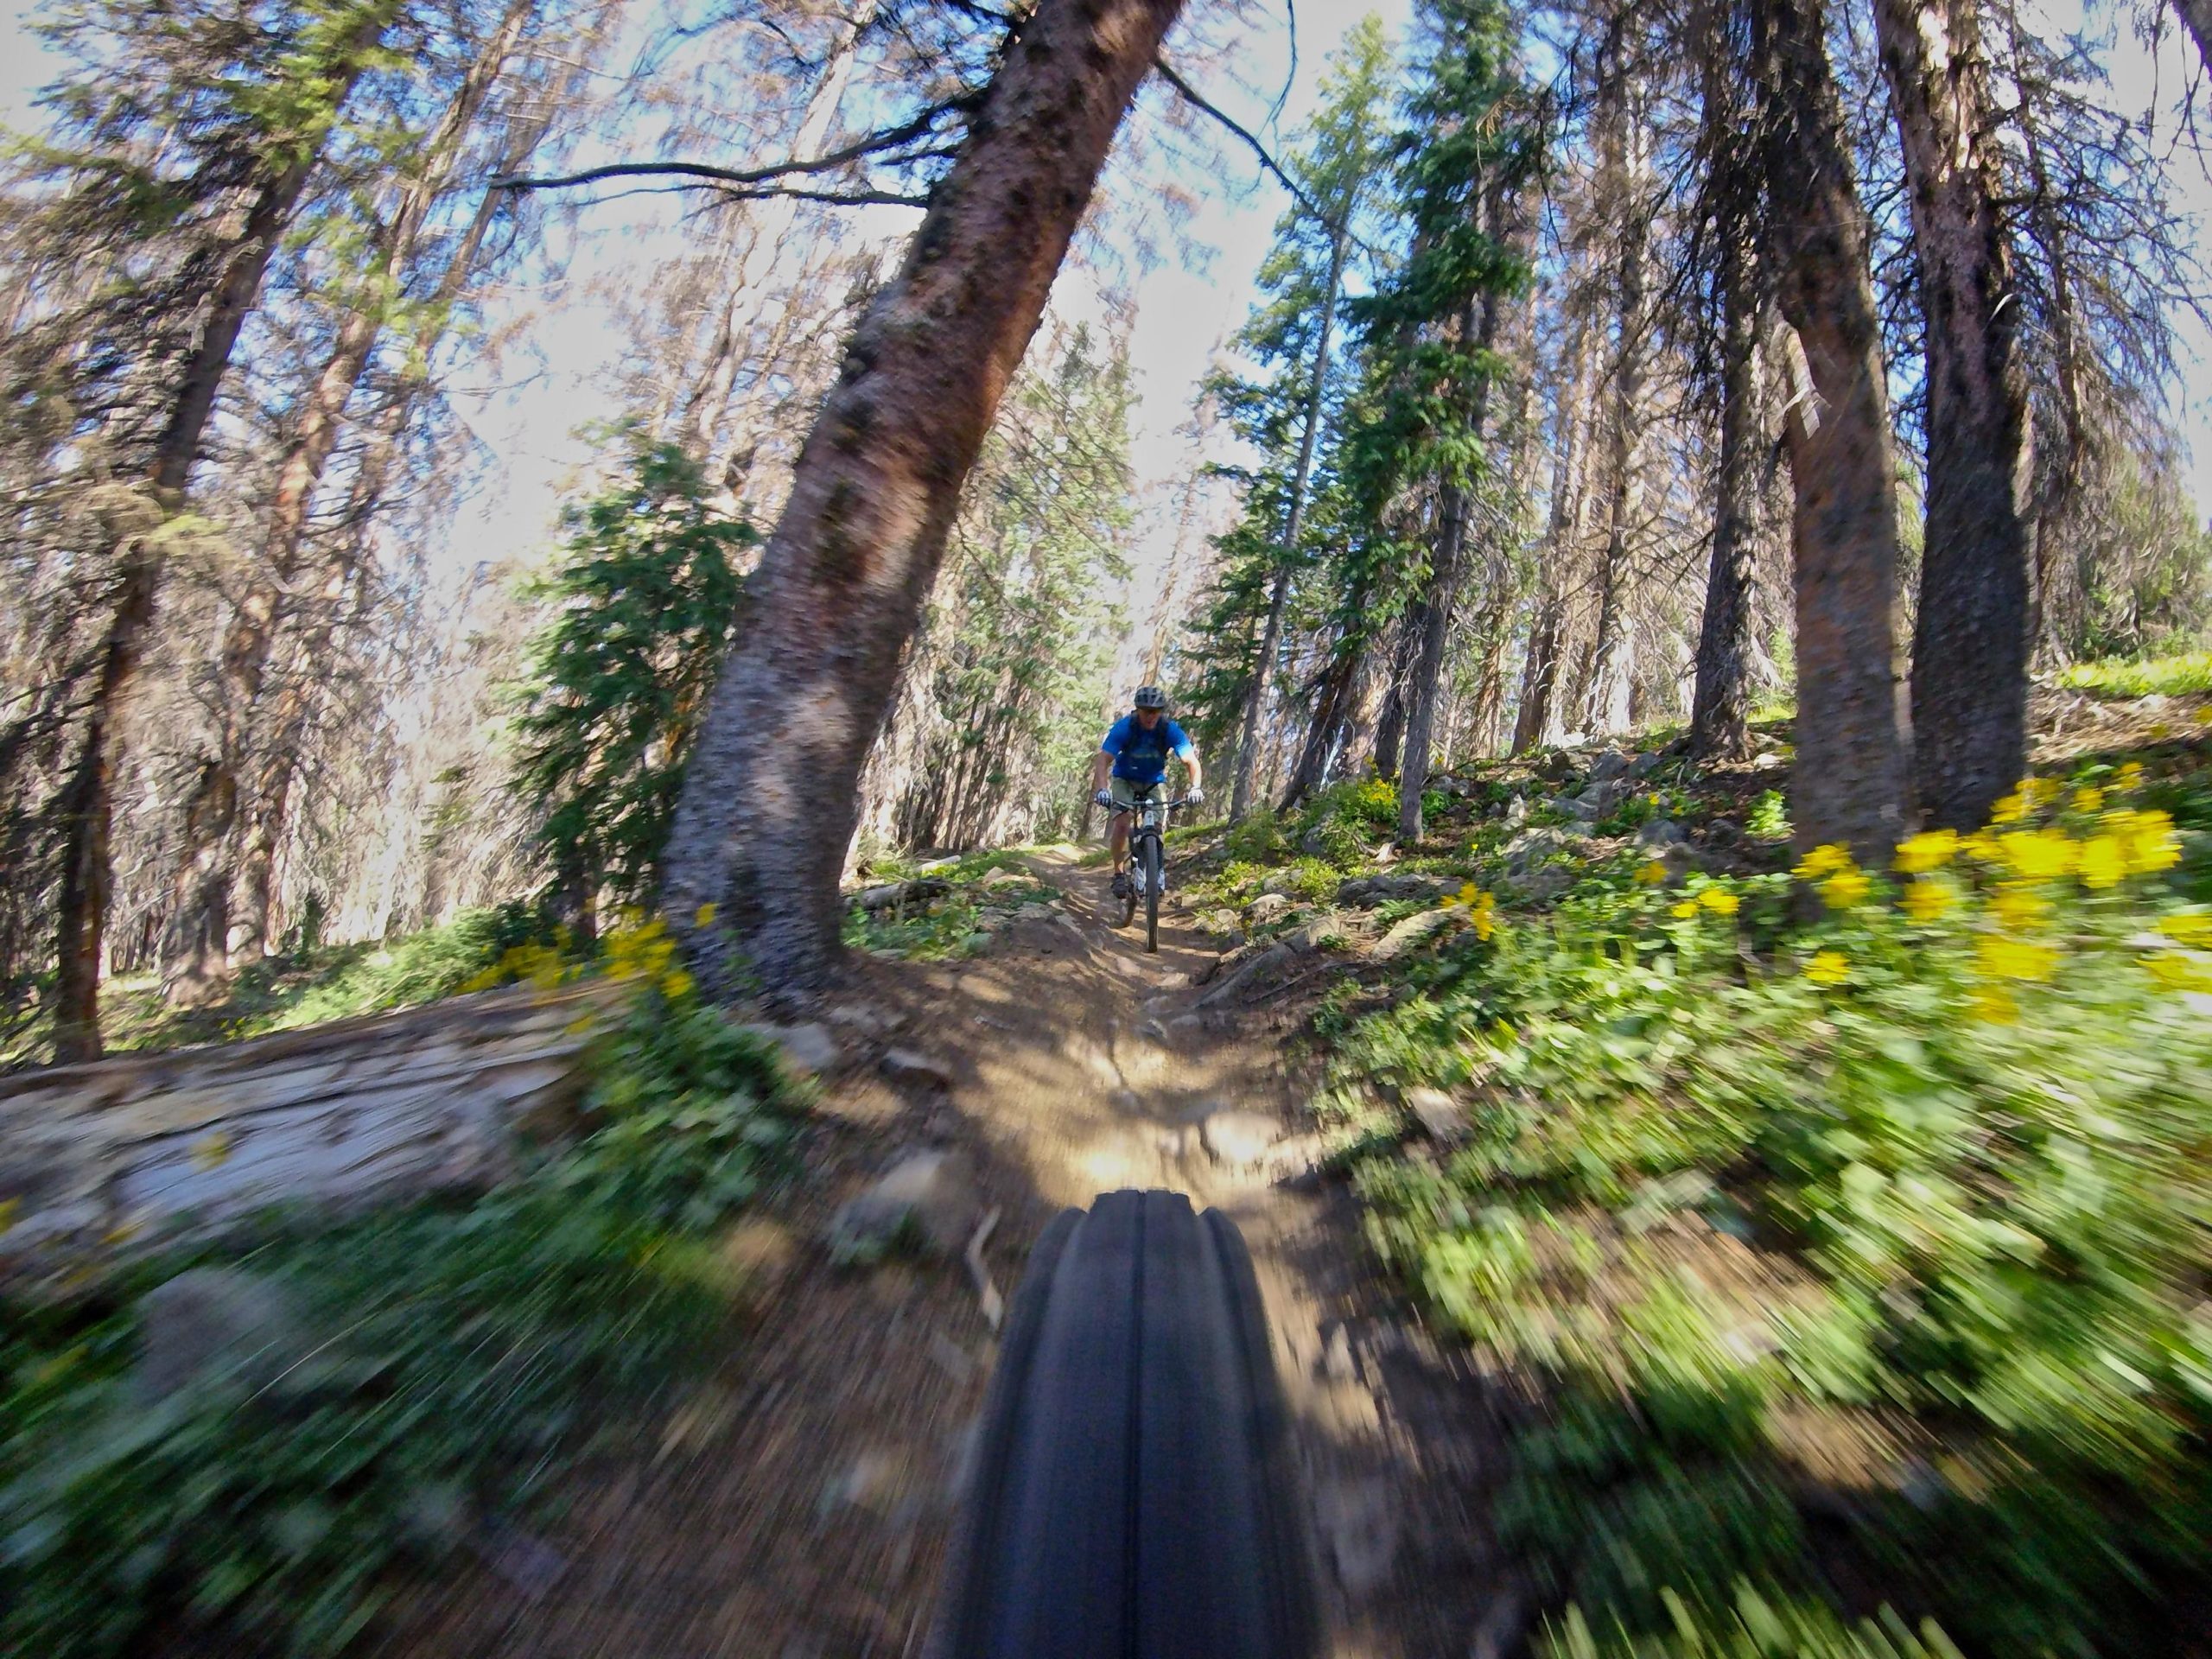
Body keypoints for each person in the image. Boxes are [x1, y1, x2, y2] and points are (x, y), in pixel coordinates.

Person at [1091, 686, 1203, 898]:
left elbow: (1191, 761)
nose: (1151, 716)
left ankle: (1151, 862)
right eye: (1146, 711)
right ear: (1138, 710)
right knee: (1123, 823)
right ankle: (1118, 873)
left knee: (1157, 827)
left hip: (1153, 783)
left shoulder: (1169, 729)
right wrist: (1102, 790)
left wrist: (1195, 787)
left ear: (1161, 711)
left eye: (1156, 711)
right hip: (1125, 780)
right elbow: (1103, 758)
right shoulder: (1126, 728)